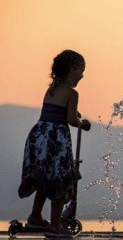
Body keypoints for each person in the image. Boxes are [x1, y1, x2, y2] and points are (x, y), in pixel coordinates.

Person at [18, 49, 91, 237]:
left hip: (39, 136)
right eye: (81, 70)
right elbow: (70, 119)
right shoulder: (72, 93)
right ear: (71, 69)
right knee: (60, 179)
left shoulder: (51, 89)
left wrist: (73, 114)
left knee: (44, 178)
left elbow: (55, 110)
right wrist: (81, 123)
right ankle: (55, 224)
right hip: (56, 139)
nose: (82, 75)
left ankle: (35, 217)